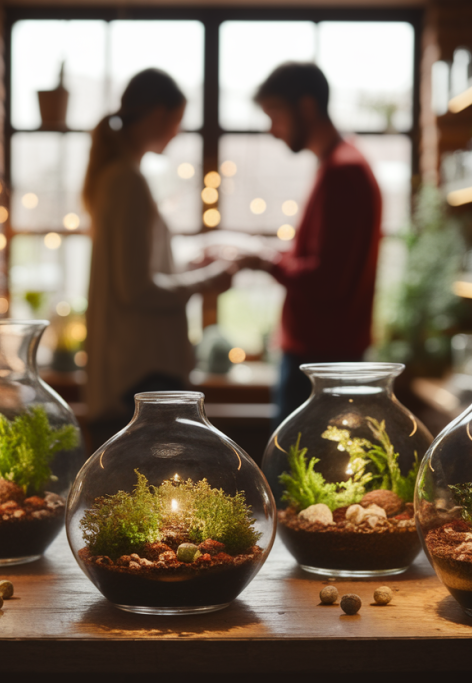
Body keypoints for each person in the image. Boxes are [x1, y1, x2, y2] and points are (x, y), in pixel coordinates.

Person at [83, 68, 236, 449]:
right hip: (142, 374)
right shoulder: (127, 181)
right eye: (177, 119)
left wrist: (189, 270)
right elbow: (137, 289)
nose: (178, 131)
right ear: (156, 113)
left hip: (131, 369)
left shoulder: (119, 177)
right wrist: (209, 279)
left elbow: (138, 275)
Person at [242, 62, 383, 428]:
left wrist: (265, 261)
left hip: (321, 357)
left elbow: (326, 279)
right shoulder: (338, 164)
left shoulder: (343, 171)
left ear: (305, 106)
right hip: (324, 352)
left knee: (297, 474)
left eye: (275, 114)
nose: (273, 130)